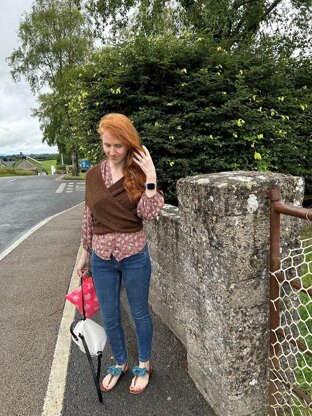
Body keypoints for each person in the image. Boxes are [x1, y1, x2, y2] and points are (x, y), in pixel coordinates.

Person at [76, 113, 164, 395]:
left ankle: (144, 363)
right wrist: (84, 254)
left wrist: (151, 178)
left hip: (134, 253)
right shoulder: (92, 175)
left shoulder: (137, 173)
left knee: (139, 313)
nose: (112, 151)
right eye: (107, 145)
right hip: (102, 257)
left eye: (118, 146)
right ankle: (121, 361)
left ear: (128, 145)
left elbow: (147, 214)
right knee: (111, 314)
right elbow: (88, 215)